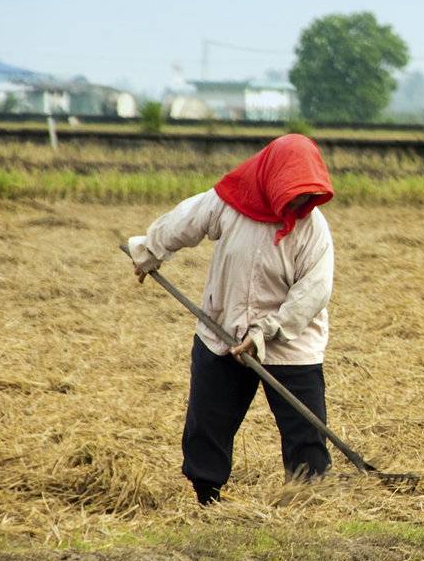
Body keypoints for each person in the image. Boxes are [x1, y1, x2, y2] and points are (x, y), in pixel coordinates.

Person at [127, 133, 336, 505]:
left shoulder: (313, 229)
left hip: (290, 343)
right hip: (221, 331)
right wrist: (149, 250)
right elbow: (183, 222)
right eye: (293, 191)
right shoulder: (230, 201)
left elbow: (312, 293)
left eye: (307, 193)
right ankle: (207, 496)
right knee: (209, 421)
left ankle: (308, 501)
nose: (299, 201)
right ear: (273, 179)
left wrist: (266, 333)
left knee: (305, 430)